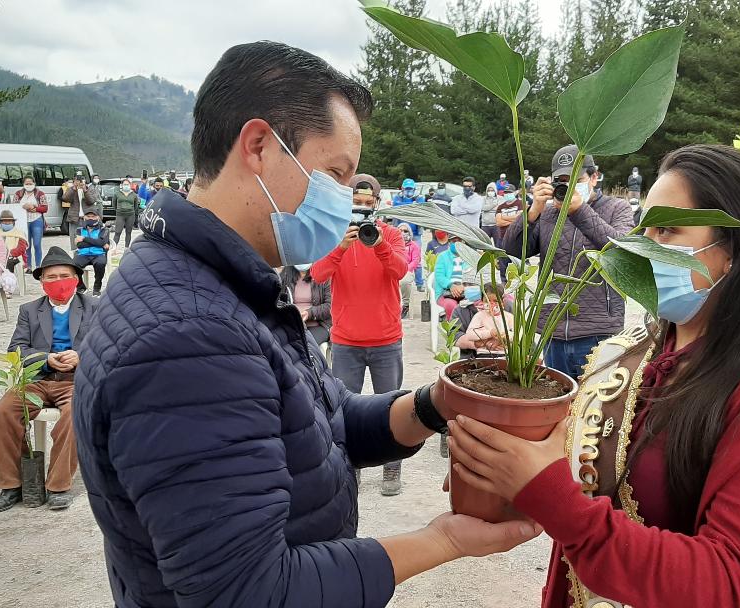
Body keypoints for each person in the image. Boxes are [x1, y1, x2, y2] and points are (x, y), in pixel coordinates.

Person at [74, 41, 536, 607]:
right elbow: (250, 591)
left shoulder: (221, 281)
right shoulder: (187, 336)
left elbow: (325, 420)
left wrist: (435, 405)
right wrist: (441, 540)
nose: (345, 199)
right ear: (259, 146)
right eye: (335, 174)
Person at [446, 144, 740, 608]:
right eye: (643, 229)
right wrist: (508, 470)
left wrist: (553, 497)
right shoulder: (638, 348)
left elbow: (733, 585)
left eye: (667, 230)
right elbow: (585, 470)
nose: (641, 248)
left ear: (735, 250)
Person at [312, 171, 410, 496]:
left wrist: (379, 243)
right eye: (357, 203)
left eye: (368, 204)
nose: (363, 210)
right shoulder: (334, 235)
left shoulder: (391, 234)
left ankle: (391, 468)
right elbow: (318, 273)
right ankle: (348, 468)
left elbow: (399, 271)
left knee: (391, 407)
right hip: (346, 342)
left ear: (377, 205)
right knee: (342, 411)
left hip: (386, 340)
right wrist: (340, 246)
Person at [502, 144, 635, 380]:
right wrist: (532, 212)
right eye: (561, 180)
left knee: (593, 407)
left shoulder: (618, 207)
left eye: (576, 178)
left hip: (597, 330)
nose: (568, 185)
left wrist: (579, 211)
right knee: (559, 404)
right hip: (553, 330)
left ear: (594, 177)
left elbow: (622, 252)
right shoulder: (548, 212)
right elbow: (512, 251)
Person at [0, 247, 94, 513]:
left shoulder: (96, 306)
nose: (58, 282)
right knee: (3, 413)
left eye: (64, 276)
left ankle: (58, 486)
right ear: (42, 282)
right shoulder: (30, 310)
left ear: (76, 279)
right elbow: (17, 348)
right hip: (38, 378)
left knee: (74, 414)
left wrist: (81, 356)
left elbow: (112, 344)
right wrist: (46, 359)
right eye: (51, 277)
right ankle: (12, 485)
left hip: (77, 381)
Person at [279, 263, 332, 347]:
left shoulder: (324, 277)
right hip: (292, 325)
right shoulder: (285, 276)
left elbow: (329, 306)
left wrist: (309, 313)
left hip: (318, 326)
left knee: (305, 345)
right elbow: (279, 301)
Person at [454, 283, 513, 356]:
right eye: (487, 301)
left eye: (496, 301)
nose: (491, 304)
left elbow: (519, 333)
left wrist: (505, 338)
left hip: (506, 355)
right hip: (481, 355)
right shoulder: (478, 315)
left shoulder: (508, 314)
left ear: (503, 302)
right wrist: (488, 336)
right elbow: (464, 335)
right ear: (481, 300)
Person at [73, 209, 109, 296]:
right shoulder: (79, 230)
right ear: (84, 217)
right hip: (83, 254)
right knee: (73, 265)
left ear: (98, 217)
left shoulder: (104, 229)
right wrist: (97, 243)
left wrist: (84, 239)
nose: (91, 218)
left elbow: (101, 242)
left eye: (93, 216)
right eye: (88, 216)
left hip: (98, 254)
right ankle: (81, 287)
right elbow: (79, 245)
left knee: (100, 264)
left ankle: (97, 288)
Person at [14, 175, 48, 267]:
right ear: (23, 184)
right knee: (26, 245)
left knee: (37, 244)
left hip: (36, 220)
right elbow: (13, 207)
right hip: (23, 221)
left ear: (34, 184)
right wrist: (23, 207)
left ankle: (38, 266)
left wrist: (35, 208)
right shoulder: (18, 194)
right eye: (26, 183)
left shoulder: (40, 194)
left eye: (30, 183)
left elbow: (45, 208)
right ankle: (28, 266)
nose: (28, 185)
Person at [58, 175, 99, 250]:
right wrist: (74, 188)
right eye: (77, 181)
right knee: (74, 241)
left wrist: (85, 190)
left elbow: (91, 201)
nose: (79, 183)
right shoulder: (72, 189)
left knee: (87, 240)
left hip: (87, 219)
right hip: (74, 219)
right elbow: (65, 198)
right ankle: (75, 257)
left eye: (81, 181)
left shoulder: (90, 189)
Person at [434, 239, 471, 320]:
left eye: (460, 241)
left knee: (474, 303)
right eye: (454, 241)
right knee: (450, 305)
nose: (457, 243)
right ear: (449, 242)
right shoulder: (442, 256)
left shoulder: (469, 257)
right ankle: (453, 330)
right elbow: (439, 276)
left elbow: (471, 275)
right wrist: (450, 285)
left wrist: (463, 286)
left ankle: (469, 328)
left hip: (464, 291)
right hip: (445, 293)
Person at [397, 223, 421, 318]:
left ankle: (405, 304)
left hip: (407, 270)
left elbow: (415, 261)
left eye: (405, 231)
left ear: (410, 233)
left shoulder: (414, 246)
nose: (403, 233)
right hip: (394, 269)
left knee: (405, 281)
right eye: (400, 231)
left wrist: (406, 269)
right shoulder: (393, 244)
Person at [0, 210, 28, 275]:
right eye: (4, 221)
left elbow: (21, 248)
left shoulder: (19, 233)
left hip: (13, 258)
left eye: (9, 221)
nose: (7, 223)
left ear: (13, 222)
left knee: (10, 264)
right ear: (0, 222)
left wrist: (9, 254)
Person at [112, 178, 141, 249]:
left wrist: (131, 210)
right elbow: (114, 204)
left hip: (130, 215)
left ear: (130, 185)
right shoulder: (117, 194)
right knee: (117, 232)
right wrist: (119, 209)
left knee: (128, 232)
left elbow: (136, 205)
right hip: (120, 215)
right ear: (121, 185)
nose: (126, 186)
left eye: (127, 184)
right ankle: (113, 248)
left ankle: (126, 248)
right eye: (124, 184)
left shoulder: (134, 195)